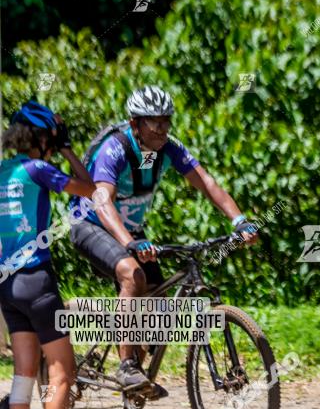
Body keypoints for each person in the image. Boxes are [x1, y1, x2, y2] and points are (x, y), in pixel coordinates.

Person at [69, 85, 259, 392]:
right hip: (93, 224)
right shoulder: (115, 149)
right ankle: (126, 366)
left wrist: (239, 220)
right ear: (135, 124)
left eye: (166, 120)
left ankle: (136, 376)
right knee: (133, 275)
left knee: (157, 303)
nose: (161, 128)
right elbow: (103, 202)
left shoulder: (169, 148)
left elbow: (207, 183)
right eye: (153, 121)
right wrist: (130, 242)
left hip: (130, 232)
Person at [1, 100, 102, 409]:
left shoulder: (1, 172)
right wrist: (67, 150)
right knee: (62, 371)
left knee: (24, 373)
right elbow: (90, 190)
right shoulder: (39, 169)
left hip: (8, 287)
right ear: (43, 139)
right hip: (38, 281)